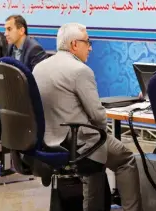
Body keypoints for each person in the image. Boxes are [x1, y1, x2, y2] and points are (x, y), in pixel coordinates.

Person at [33, 23, 142, 211]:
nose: (90, 47)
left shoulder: (39, 68)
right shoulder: (80, 71)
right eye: (87, 42)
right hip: (80, 141)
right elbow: (98, 117)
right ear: (75, 45)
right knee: (126, 159)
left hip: (47, 141)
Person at [0, 15, 48, 164]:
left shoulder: (34, 49)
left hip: (26, 106)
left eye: (9, 29)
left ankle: (6, 155)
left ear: (21, 30)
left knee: (3, 110)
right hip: (11, 100)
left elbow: (38, 80)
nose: (5, 33)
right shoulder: (11, 48)